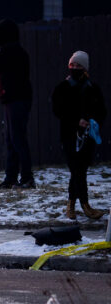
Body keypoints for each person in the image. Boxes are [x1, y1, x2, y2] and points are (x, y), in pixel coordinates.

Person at [51, 51, 107, 220]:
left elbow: (101, 110)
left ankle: (71, 205)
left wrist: (92, 121)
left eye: (78, 66)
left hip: (87, 136)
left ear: (85, 68)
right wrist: (77, 121)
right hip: (69, 135)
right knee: (77, 170)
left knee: (80, 169)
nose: (74, 68)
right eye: (72, 65)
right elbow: (58, 110)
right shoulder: (62, 88)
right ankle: (84, 205)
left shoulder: (92, 88)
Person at [0, 19, 35, 189]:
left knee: (17, 139)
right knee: (12, 139)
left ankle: (26, 178)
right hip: (16, 99)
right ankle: (12, 177)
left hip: (16, 99)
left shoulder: (9, 51)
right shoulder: (16, 51)